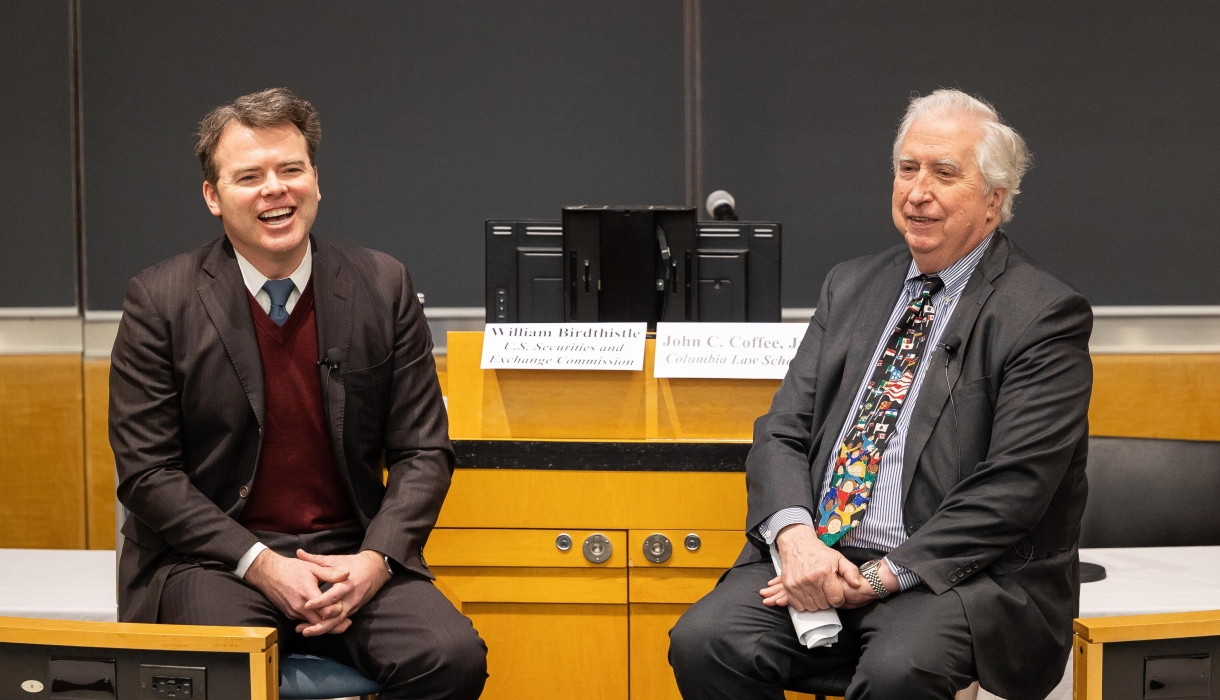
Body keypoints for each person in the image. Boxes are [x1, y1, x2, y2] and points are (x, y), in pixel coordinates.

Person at [669, 89, 1092, 700]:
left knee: (899, 674)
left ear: (996, 199)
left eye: (945, 173)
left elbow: (1015, 486)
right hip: (823, 550)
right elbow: (782, 429)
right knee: (707, 640)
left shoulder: (1042, 314)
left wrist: (876, 579)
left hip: (952, 574)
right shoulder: (851, 285)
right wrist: (796, 540)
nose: (918, 191)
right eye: (907, 168)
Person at [110, 87, 487, 700]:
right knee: (224, 667)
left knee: (450, 657)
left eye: (291, 169)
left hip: (352, 553)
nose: (275, 189)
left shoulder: (382, 286)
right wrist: (261, 563)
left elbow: (424, 452)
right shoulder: (160, 302)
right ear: (212, 195)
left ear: (316, 179)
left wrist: (374, 561)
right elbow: (149, 474)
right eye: (249, 176)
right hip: (214, 558)